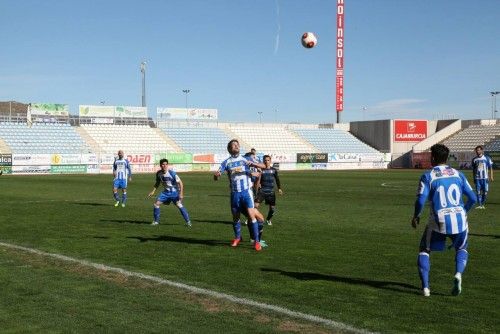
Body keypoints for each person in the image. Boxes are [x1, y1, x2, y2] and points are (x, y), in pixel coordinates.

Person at [411, 144, 477, 297]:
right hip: (460, 219)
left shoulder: (429, 175)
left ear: (432, 157)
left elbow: (421, 201)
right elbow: (473, 198)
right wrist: (463, 211)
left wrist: (416, 216)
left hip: (438, 221)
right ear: (447, 158)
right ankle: (458, 274)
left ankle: (426, 288)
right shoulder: (458, 174)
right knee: (461, 248)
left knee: (424, 250)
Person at [214, 139, 266, 251]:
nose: (236, 146)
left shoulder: (246, 159)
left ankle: (256, 242)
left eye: (237, 145)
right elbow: (216, 176)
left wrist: (253, 163)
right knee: (236, 216)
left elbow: (264, 166)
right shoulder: (226, 162)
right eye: (233, 145)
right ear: (229, 149)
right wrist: (217, 175)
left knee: (252, 215)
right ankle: (237, 238)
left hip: (247, 192)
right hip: (234, 193)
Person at [148, 159, 191, 227]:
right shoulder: (158, 173)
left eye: (166, 164)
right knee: (156, 204)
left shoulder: (172, 173)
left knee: (179, 205)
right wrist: (153, 191)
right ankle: (156, 222)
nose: (164, 166)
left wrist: (181, 193)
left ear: (168, 165)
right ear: (160, 165)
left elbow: (181, 183)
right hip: (165, 193)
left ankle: (188, 222)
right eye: (163, 164)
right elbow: (157, 183)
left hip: (174, 193)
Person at [255, 155, 283, 225]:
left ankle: (268, 219)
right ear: (263, 161)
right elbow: (257, 181)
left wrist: (279, 188)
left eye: (268, 160)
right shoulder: (261, 170)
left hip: (271, 191)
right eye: (265, 160)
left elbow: (277, 179)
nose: (266, 161)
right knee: (255, 206)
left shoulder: (274, 170)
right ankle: (252, 218)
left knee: (272, 209)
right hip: (262, 190)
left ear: (270, 161)